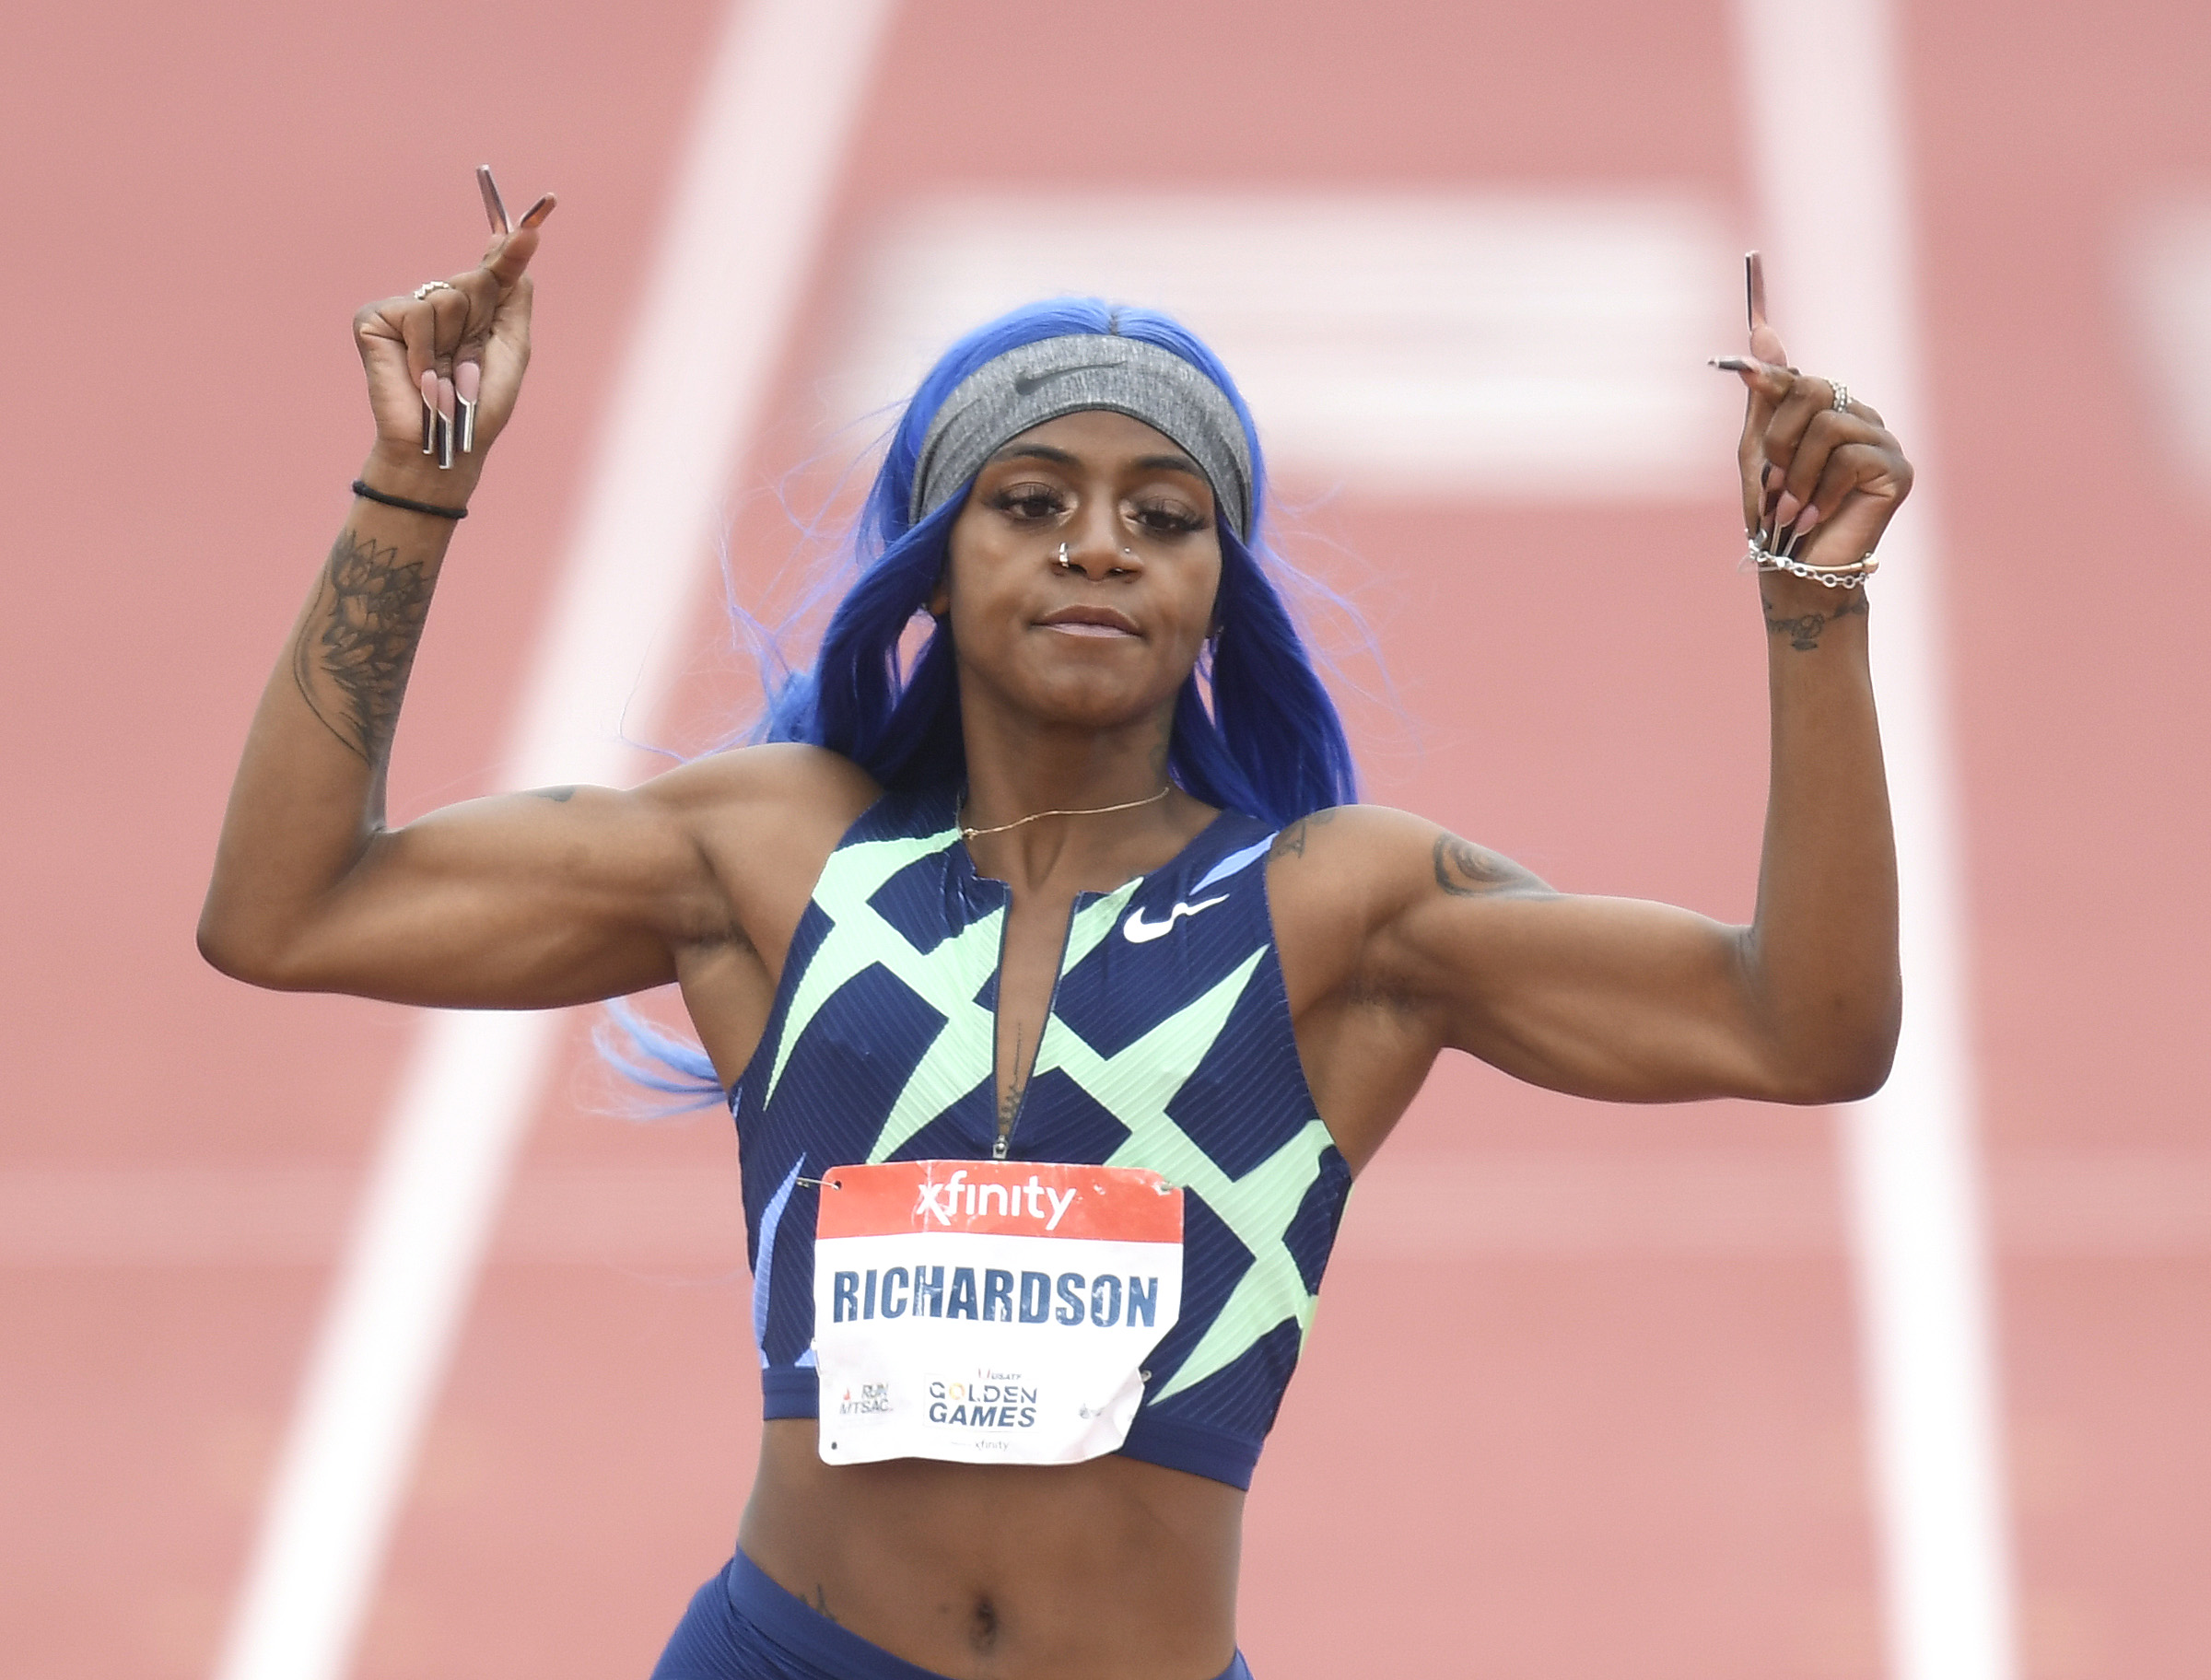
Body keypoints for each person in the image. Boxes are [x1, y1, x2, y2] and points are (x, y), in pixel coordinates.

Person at [199, 174, 1911, 1680]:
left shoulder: (1342, 907)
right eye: (1031, 504)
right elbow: (292, 911)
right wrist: (413, 487)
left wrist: (1811, 604)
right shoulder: (769, 854)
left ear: (1216, 583)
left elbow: (1804, 1027)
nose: (1099, 545)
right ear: (936, 564)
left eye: (1164, 518)